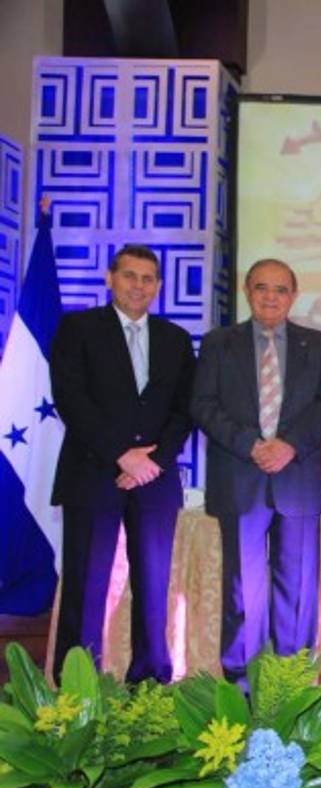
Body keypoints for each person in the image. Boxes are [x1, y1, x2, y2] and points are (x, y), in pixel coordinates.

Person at [49, 245, 195, 683]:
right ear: (109, 278)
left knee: (153, 588)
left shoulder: (174, 338)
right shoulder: (77, 328)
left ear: (159, 287)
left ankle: (150, 681)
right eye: (129, 275)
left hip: (154, 479)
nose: (138, 285)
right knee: (86, 587)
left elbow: (185, 409)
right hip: (93, 474)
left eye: (148, 278)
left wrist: (155, 460)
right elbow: (71, 399)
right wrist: (121, 454)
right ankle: (77, 689)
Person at [191, 258, 321, 684]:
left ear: (293, 295)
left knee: (297, 592)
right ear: (247, 291)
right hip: (240, 477)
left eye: (280, 289)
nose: (270, 296)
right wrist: (250, 445)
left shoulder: (320, 345)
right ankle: (241, 685)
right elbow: (201, 404)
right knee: (243, 590)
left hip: (298, 482)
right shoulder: (219, 343)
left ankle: (290, 685)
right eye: (261, 288)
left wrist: (288, 446)